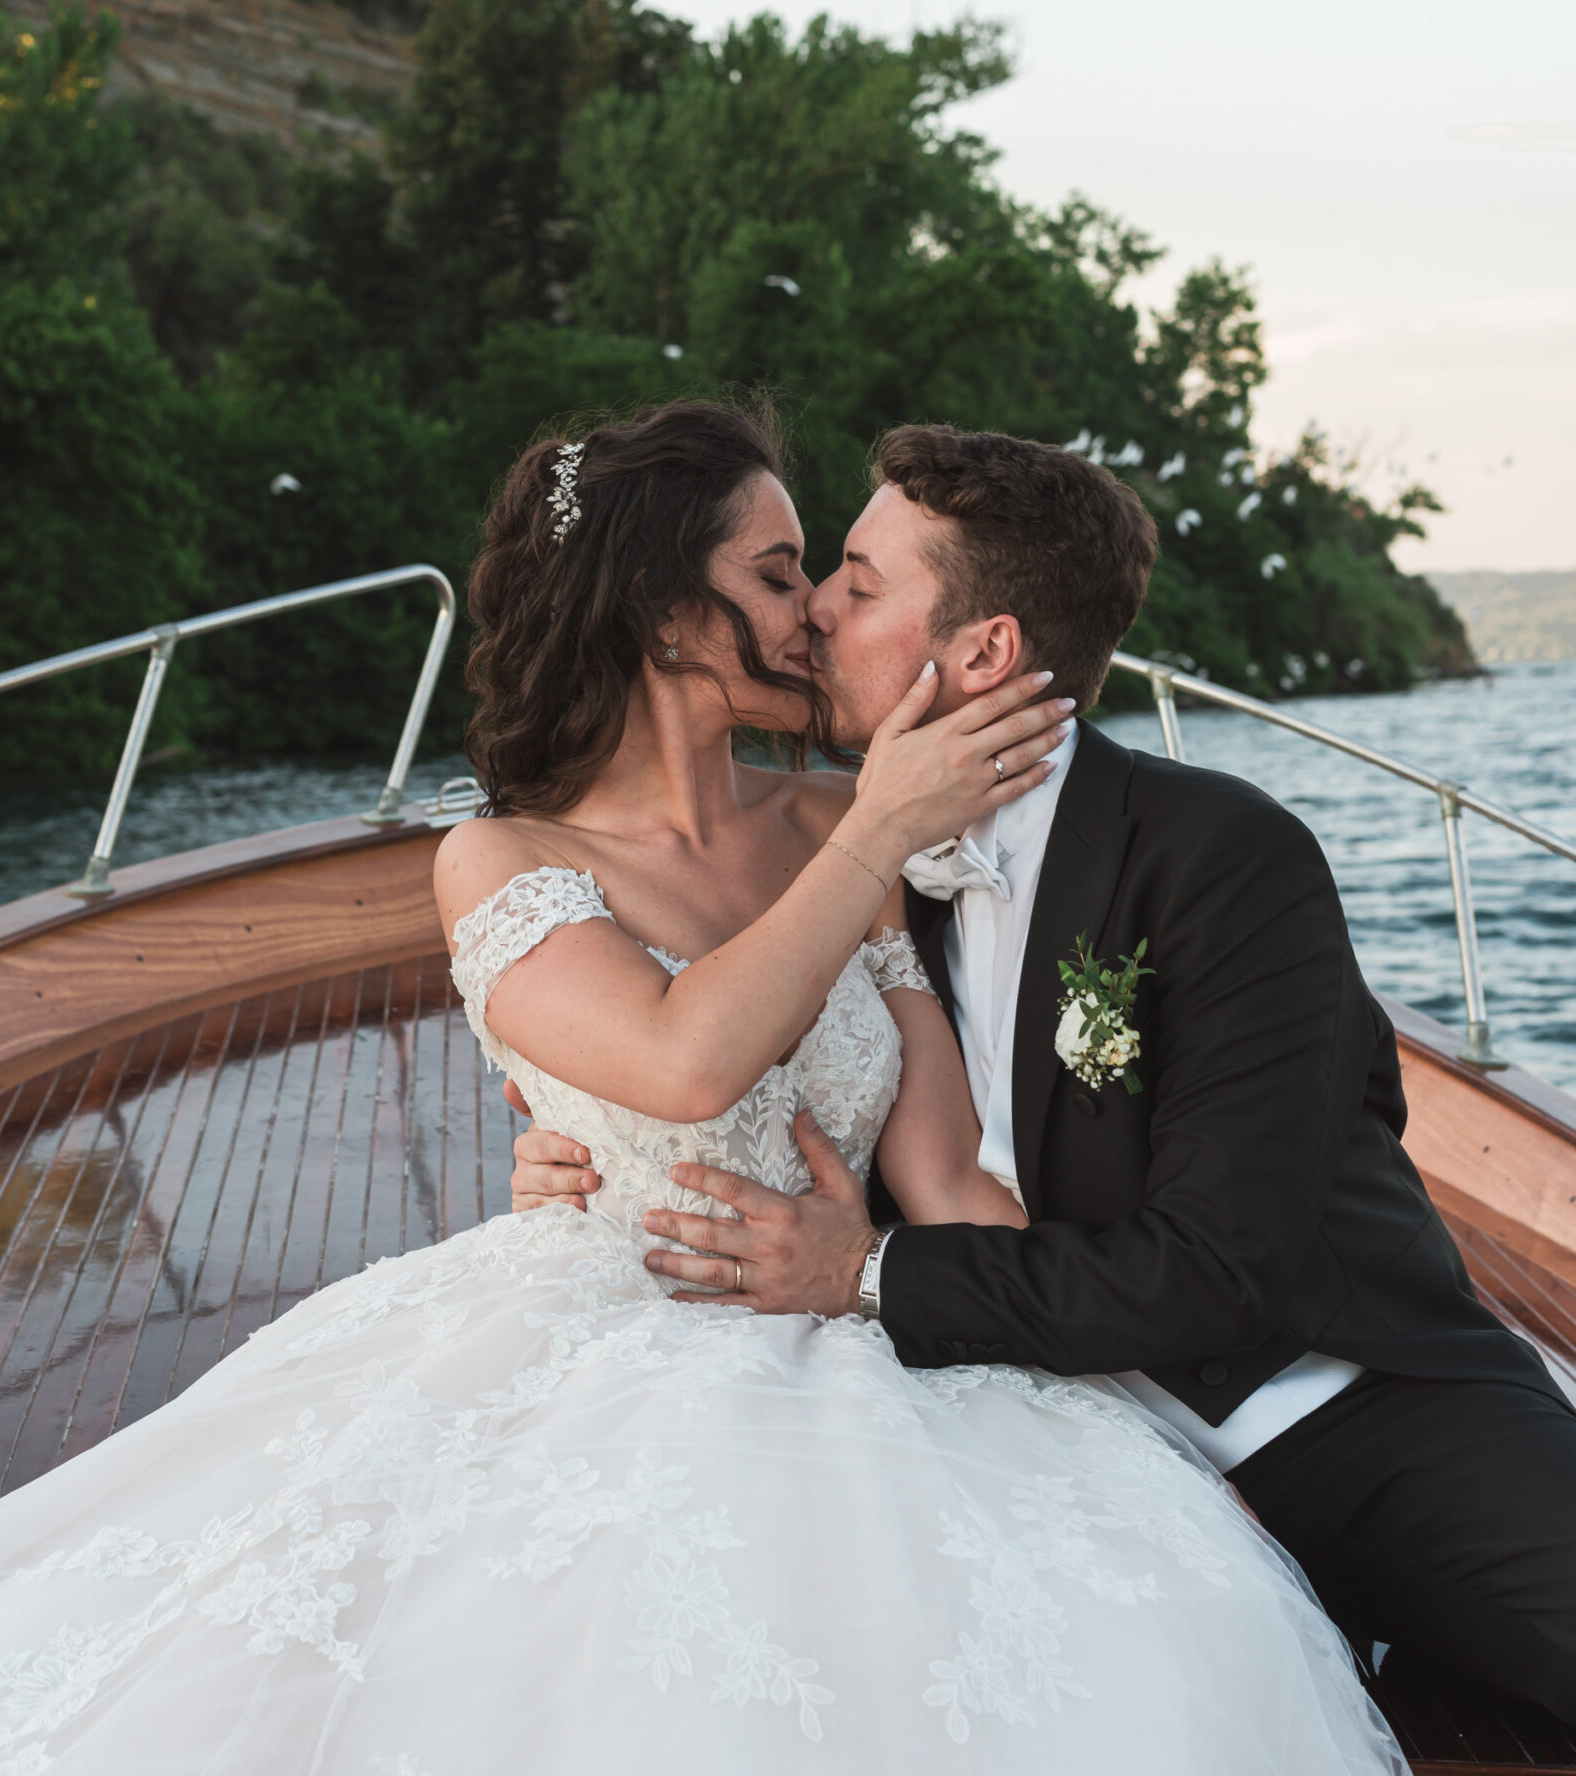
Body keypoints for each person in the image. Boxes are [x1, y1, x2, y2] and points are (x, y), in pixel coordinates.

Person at [0, 401, 1402, 1774]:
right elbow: (678, 1067)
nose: (816, 612)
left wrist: (1175, 1405)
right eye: (783, 573)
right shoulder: (506, 859)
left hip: (850, 1315)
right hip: (591, 1321)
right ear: (673, 614)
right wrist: (870, 834)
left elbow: (950, 1178)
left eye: (820, 574)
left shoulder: (834, 820)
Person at [514, 422, 1576, 1725]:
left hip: (1315, 1413)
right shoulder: (847, 859)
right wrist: (592, 1154)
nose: (815, 618)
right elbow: (757, 1081)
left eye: (854, 582)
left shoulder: (1220, 859)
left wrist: (861, 1272)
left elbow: (1219, 1272)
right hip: (985, 1403)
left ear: (985, 653)